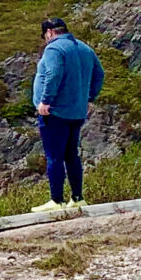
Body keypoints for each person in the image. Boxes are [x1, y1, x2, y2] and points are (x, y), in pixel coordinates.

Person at [32, 16, 104, 205]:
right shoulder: (85, 48)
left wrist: (45, 101)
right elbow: (99, 74)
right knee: (71, 154)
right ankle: (77, 198)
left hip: (55, 112)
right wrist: (89, 98)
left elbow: (54, 73)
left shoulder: (54, 48)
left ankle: (56, 201)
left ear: (49, 32)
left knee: (54, 156)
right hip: (77, 112)